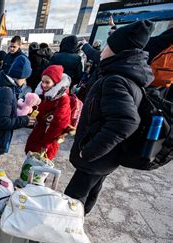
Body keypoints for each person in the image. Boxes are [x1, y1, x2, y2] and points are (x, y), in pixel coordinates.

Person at [65, 20, 155, 214]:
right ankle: (78, 223)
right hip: (107, 158)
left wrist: (90, 151)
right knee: (91, 191)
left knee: (71, 201)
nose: (103, 50)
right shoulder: (128, 75)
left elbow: (126, 122)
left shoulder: (116, 80)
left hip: (97, 157)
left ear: (116, 51)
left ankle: (65, 234)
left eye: (108, 46)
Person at [0, 55, 35, 175]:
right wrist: (24, 120)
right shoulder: (6, 92)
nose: (24, 82)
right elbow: (2, 121)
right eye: (24, 78)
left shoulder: (0, 83)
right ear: (20, 76)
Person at [25, 65, 72, 160]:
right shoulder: (43, 95)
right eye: (42, 81)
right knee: (29, 163)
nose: (43, 85)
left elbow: (58, 125)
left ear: (56, 83)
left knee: (40, 166)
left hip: (49, 138)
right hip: (38, 132)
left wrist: (45, 144)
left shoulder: (63, 99)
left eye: (47, 82)